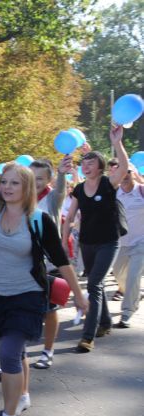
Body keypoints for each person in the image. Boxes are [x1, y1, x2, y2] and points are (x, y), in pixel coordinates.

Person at [0, 137, 88, 416]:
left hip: (28, 297)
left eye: (14, 183)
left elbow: (61, 259)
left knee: (8, 353)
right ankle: (23, 394)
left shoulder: (39, 220)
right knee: (16, 351)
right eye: (4, 182)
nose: (6, 187)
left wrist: (80, 295)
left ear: (27, 188)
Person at [61, 125, 129, 352]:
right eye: (84, 163)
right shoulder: (79, 189)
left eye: (91, 163)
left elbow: (124, 166)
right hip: (87, 243)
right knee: (96, 284)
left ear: (101, 168)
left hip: (109, 242)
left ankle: (88, 336)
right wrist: (63, 243)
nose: (86, 166)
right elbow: (70, 216)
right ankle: (106, 322)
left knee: (92, 285)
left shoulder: (109, 183)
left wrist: (117, 142)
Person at [28, 157, 72, 370]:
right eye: (31, 176)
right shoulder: (18, 197)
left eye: (40, 178)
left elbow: (61, 190)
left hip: (50, 265)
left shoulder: (52, 198)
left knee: (49, 310)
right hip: (23, 265)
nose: (35, 182)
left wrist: (62, 173)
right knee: (22, 310)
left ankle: (47, 351)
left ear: (48, 180)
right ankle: (16, 357)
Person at [112, 163, 144, 328]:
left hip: (141, 243)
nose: (124, 175)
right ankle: (129, 293)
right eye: (121, 172)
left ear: (134, 174)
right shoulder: (113, 193)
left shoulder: (141, 191)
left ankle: (127, 312)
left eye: (128, 172)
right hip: (120, 244)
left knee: (133, 277)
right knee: (118, 275)